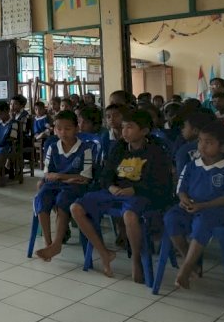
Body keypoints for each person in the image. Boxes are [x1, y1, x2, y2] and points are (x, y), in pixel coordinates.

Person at [71, 110, 172, 282]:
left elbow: (161, 183)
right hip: (115, 192)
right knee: (76, 207)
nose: (124, 131)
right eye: (123, 127)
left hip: (140, 194)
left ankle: (136, 259)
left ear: (144, 131)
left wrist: (135, 190)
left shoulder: (156, 152)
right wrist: (110, 186)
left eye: (130, 127)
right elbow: (106, 173)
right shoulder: (119, 147)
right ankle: (103, 252)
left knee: (130, 216)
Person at [164, 122, 224, 289]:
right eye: (200, 141)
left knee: (203, 222)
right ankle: (190, 261)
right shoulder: (192, 165)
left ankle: (185, 270)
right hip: (192, 206)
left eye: (209, 142)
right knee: (171, 217)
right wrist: (184, 198)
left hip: (218, 209)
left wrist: (203, 205)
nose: (202, 146)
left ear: (223, 147)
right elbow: (181, 188)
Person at [34, 111, 95, 262]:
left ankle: (57, 244)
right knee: (41, 197)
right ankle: (48, 243)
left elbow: (85, 177)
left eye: (67, 128)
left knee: (63, 200)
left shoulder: (85, 148)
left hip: (74, 188)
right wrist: (68, 178)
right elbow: (48, 173)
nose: (63, 132)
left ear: (76, 129)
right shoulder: (53, 147)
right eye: (58, 128)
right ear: (54, 129)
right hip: (55, 184)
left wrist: (61, 176)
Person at [175, 110, 217, 176]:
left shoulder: (185, 150)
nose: (182, 129)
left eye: (185, 126)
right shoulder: (217, 146)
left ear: (195, 131)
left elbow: (181, 174)